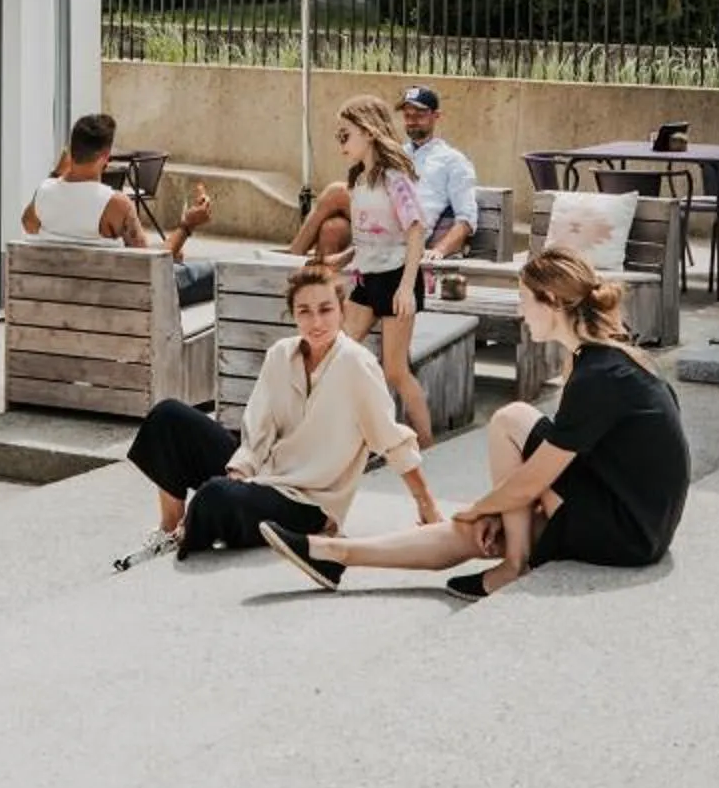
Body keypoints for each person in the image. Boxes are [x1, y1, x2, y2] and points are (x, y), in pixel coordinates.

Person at [259, 248, 691, 600]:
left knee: (508, 422)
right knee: (477, 529)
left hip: (626, 531)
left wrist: (482, 508)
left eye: (525, 301)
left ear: (552, 302)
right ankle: (330, 553)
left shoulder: (600, 376)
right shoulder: (604, 358)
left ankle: (514, 564)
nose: (522, 312)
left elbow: (530, 481)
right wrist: (494, 512)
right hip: (629, 518)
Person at [122, 260, 440, 562]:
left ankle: (188, 534)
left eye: (326, 310)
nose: (316, 322)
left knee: (214, 496)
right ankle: (169, 527)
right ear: (293, 315)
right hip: (264, 477)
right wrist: (239, 475)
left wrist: (426, 504)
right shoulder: (280, 355)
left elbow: (390, 439)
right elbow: (257, 431)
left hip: (308, 503)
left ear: (341, 311)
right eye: (305, 311)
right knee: (168, 416)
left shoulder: (357, 364)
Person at [287, 96, 433, 446]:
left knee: (395, 371)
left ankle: (427, 443)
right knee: (336, 353)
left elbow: (416, 231)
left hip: (397, 278)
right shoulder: (359, 181)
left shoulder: (395, 179)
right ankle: (334, 434)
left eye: (345, 135)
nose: (341, 143)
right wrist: (343, 258)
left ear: (368, 132)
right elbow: (372, 237)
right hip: (367, 279)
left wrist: (406, 288)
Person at [20, 112, 217, 304]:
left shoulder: (44, 192)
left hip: (61, 298)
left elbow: (28, 225)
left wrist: (57, 173)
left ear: (70, 153)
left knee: (179, 263)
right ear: (105, 156)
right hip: (117, 300)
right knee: (217, 272)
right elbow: (149, 265)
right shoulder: (116, 204)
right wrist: (187, 226)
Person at [397, 85, 480, 260]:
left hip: (409, 239)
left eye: (419, 115)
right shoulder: (396, 154)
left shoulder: (453, 161)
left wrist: (439, 250)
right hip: (381, 231)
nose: (412, 121)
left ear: (436, 116)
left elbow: (466, 219)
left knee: (339, 193)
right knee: (337, 223)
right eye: (407, 116)